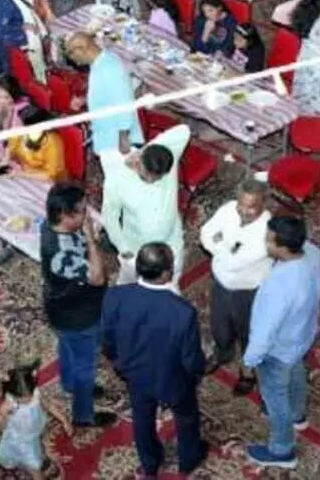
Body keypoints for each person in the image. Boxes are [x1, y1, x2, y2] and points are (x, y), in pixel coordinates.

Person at [101, 242, 208, 478]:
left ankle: (150, 464)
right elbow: (190, 358)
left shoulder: (115, 296)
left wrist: (119, 362)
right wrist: (196, 374)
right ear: (167, 272)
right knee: (186, 416)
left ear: (138, 268)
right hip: (173, 378)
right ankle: (189, 459)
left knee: (142, 419)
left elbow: (107, 338)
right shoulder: (183, 312)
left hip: (135, 374)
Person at [243, 215, 320, 471]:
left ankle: (282, 450)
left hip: (277, 350)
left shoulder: (280, 285)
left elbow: (265, 329)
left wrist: (250, 360)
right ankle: (298, 415)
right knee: (297, 371)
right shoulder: (312, 253)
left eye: (269, 240)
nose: (265, 243)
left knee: (275, 399)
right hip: (301, 335)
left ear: (283, 247)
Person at [40, 184, 117, 432]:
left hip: (61, 308)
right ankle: (83, 415)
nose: (87, 215)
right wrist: (91, 240)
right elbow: (98, 277)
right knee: (85, 365)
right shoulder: (62, 255)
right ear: (64, 215)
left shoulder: (48, 226)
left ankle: (69, 384)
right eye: (82, 211)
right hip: (79, 316)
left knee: (67, 347)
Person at [199, 179, 271, 392]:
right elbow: (205, 233)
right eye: (241, 205)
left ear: (263, 203)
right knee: (219, 325)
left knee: (248, 332)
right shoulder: (228, 209)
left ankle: (248, 370)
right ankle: (223, 353)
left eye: (251, 207)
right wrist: (226, 248)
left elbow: (234, 263)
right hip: (221, 284)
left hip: (248, 292)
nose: (244, 211)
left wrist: (219, 243)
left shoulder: (268, 230)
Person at [99, 125, 189, 284]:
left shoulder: (168, 155)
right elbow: (110, 217)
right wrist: (123, 248)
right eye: (149, 175)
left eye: (158, 177)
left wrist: (146, 149)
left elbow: (184, 130)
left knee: (173, 278)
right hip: (137, 248)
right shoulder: (117, 181)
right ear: (139, 164)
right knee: (129, 282)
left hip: (171, 241)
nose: (153, 181)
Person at [64, 32, 142, 155]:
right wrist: (84, 100)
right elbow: (106, 91)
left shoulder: (109, 67)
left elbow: (124, 101)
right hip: (106, 134)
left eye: (71, 53)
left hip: (117, 139)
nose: (74, 61)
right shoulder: (98, 63)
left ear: (82, 49)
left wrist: (123, 136)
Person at [0, 362, 71, 479]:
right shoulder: (8, 404)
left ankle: (37, 456)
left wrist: (64, 420)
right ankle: (36, 474)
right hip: (21, 440)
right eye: (22, 400)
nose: (28, 401)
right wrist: (0, 422)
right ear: (12, 393)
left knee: (38, 443)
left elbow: (48, 404)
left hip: (35, 425)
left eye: (29, 398)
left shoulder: (36, 392)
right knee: (33, 465)